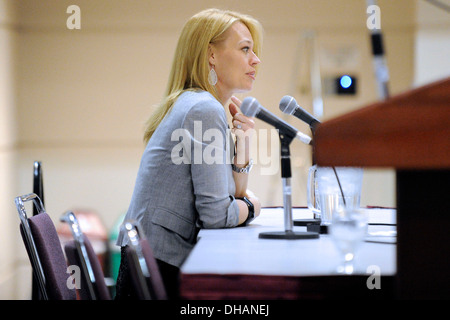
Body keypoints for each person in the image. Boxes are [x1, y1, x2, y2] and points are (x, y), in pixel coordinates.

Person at [115, 8, 263, 300]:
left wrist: (242, 145)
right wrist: (254, 207)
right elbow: (218, 216)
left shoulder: (198, 104)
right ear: (211, 55)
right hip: (158, 271)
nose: (256, 59)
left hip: (151, 264)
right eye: (245, 49)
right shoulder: (202, 109)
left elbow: (229, 196)